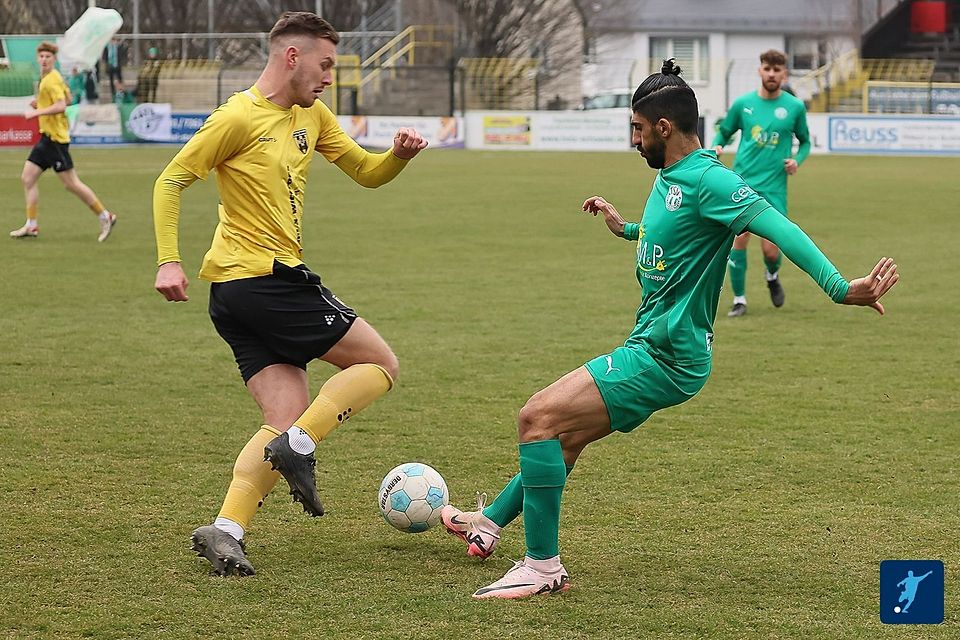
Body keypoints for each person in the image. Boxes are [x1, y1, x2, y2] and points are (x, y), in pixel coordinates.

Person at [439, 59, 898, 600]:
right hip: (652, 343)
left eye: (637, 128)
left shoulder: (711, 180)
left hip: (668, 356)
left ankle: (542, 567)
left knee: (536, 418)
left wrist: (840, 287)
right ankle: (490, 523)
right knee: (565, 438)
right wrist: (624, 227)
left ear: (663, 126)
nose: (632, 140)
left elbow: (780, 225)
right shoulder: (669, 178)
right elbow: (670, 233)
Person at [152, 11, 428, 577]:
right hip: (265, 281)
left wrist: (397, 156)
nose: (331, 75)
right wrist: (168, 260)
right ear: (292, 57)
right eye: (325, 64)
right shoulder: (237, 116)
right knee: (380, 364)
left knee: (284, 416)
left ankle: (225, 528)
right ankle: (299, 445)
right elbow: (171, 180)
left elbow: (365, 172)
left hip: (236, 295)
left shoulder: (313, 115)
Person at [712, 49, 811, 317]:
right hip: (741, 184)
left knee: (771, 248)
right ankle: (740, 300)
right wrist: (717, 146)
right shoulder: (743, 104)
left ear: (784, 74)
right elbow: (724, 130)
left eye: (776, 70)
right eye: (767, 69)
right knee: (738, 240)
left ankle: (771, 274)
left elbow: (805, 141)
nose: (771, 74)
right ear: (760, 71)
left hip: (774, 188)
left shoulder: (794, 107)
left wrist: (797, 161)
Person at [11, 42, 117, 241]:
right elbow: (68, 99)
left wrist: (36, 111)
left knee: (72, 184)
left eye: (48, 57)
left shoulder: (51, 80)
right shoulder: (51, 78)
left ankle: (106, 216)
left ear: (54, 60)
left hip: (56, 141)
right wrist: (41, 103)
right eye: (41, 56)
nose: (44, 60)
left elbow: (61, 106)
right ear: (37, 58)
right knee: (28, 178)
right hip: (46, 138)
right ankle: (31, 225)